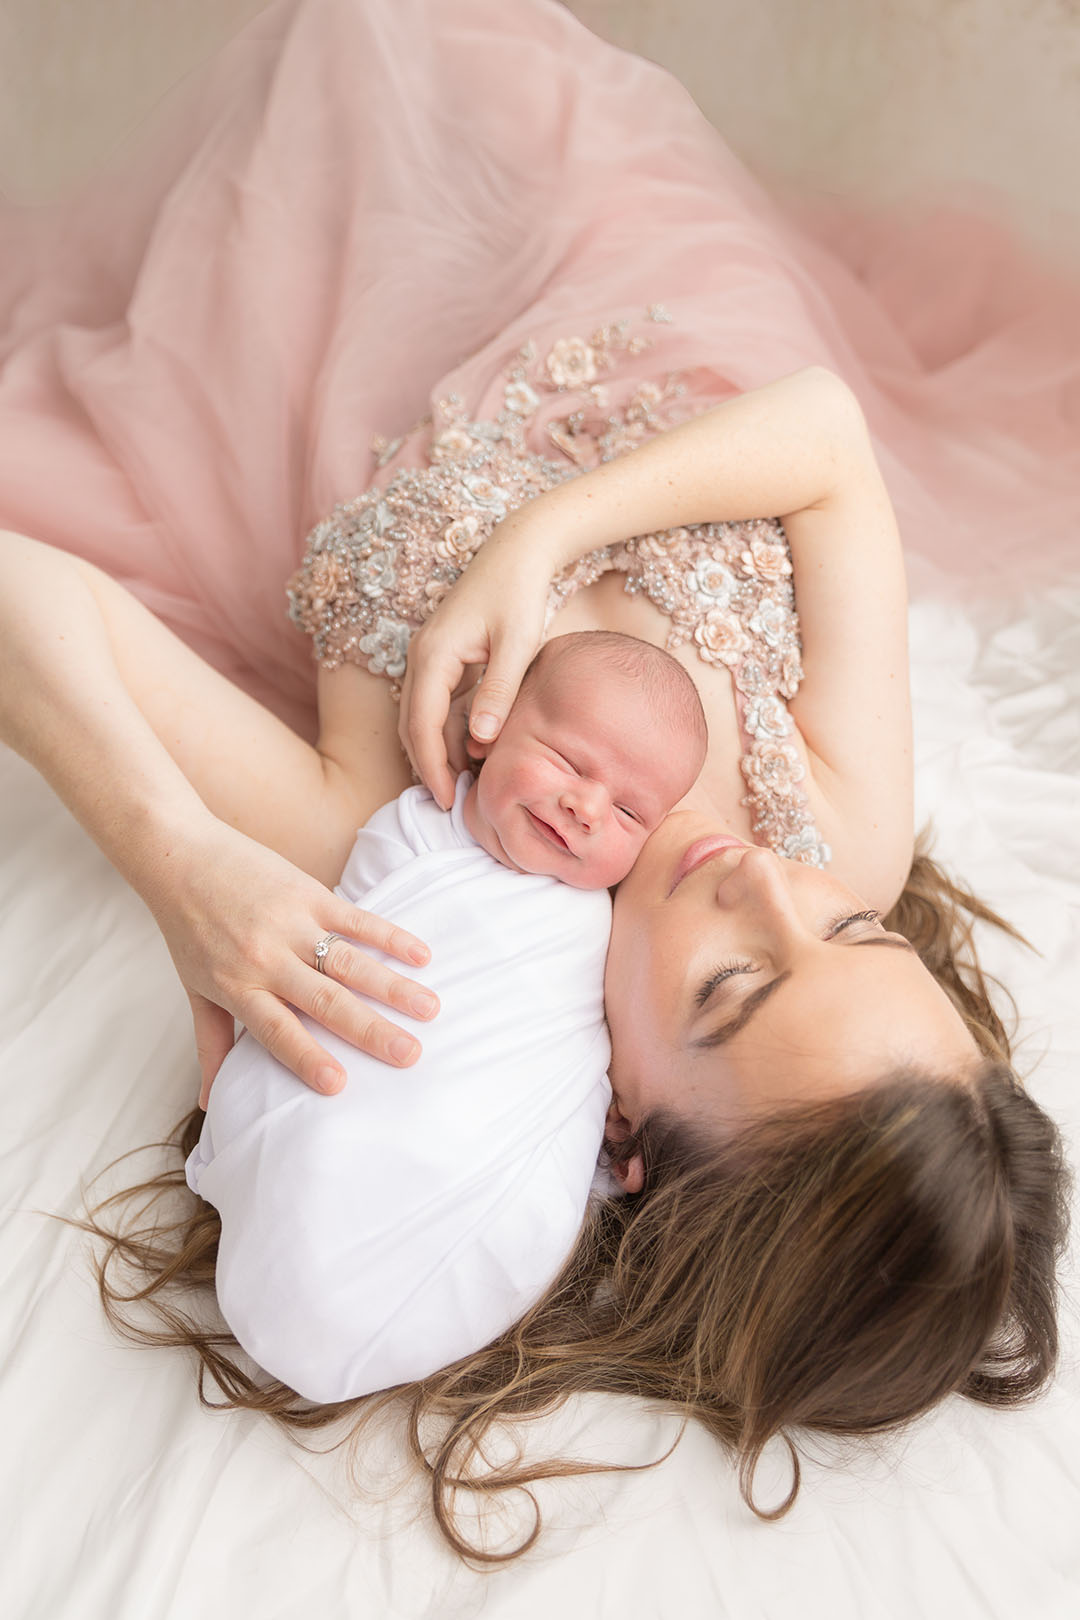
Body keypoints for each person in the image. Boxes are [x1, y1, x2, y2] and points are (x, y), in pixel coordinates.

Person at [1, 0, 1074, 1568]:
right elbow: (827, 443)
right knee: (515, 74)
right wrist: (549, 539)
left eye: (729, 989)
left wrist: (179, 870)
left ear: (624, 1128)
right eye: (857, 937)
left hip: (374, 333)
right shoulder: (836, 832)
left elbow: (25, 595)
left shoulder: (415, 830)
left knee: (365, 46)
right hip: (660, 321)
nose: (758, 879)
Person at [184, 630, 706, 1404]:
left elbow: (572, 1054)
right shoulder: (409, 832)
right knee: (334, 1128)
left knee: (493, 1187)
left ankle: (406, 1270)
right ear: (487, 731)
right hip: (368, 1081)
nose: (587, 807)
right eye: (567, 761)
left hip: (479, 1130)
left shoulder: (602, 924)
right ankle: (304, 1226)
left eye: (630, 811)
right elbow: (340, 949)